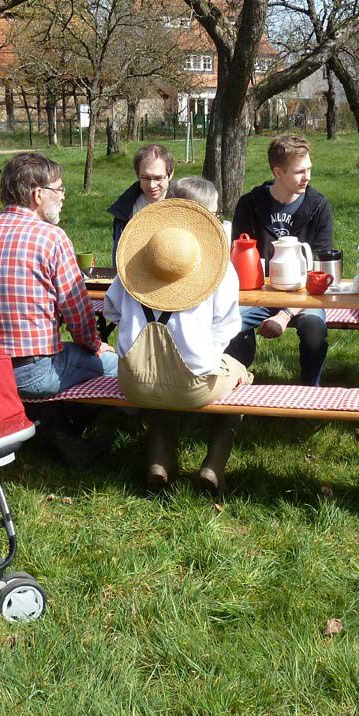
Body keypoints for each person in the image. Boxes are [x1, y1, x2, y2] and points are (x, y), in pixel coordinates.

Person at [104, 195, 251, 496]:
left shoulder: (132, 267)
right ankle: (214, 465)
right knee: (242, 376)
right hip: (191, 387)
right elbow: (229, 326)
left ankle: (159, 461)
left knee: (161, 378)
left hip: (134, 382)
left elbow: (111, 311)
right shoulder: (220, 272)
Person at [0, 152, 117, 398]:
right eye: (60, 189)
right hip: (34, 372)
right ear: (38, 194)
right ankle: (138, 425)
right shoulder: (51, 237)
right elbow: (77, 314)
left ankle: (55, 428)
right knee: (115, 365)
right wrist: (97, 346)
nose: (63, 196)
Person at [226, 134, 333, 386]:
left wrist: (285, 314)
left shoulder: (318, 206)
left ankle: (310, 393)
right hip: (257, 293)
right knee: (226, 323)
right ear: (278, 172)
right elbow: (237, 262)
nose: (307, 177)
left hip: (305, 295)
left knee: (314, 329)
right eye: (299, 172)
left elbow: (318, 271)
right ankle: (232, 383)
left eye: (309, 169)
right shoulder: (250, 204)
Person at [107, 144, 174, 262]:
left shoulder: (184, 204)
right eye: (145, 178)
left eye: (158, 178)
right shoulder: (125, 208)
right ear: (137, 174)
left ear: (170, 174)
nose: (152, 185)